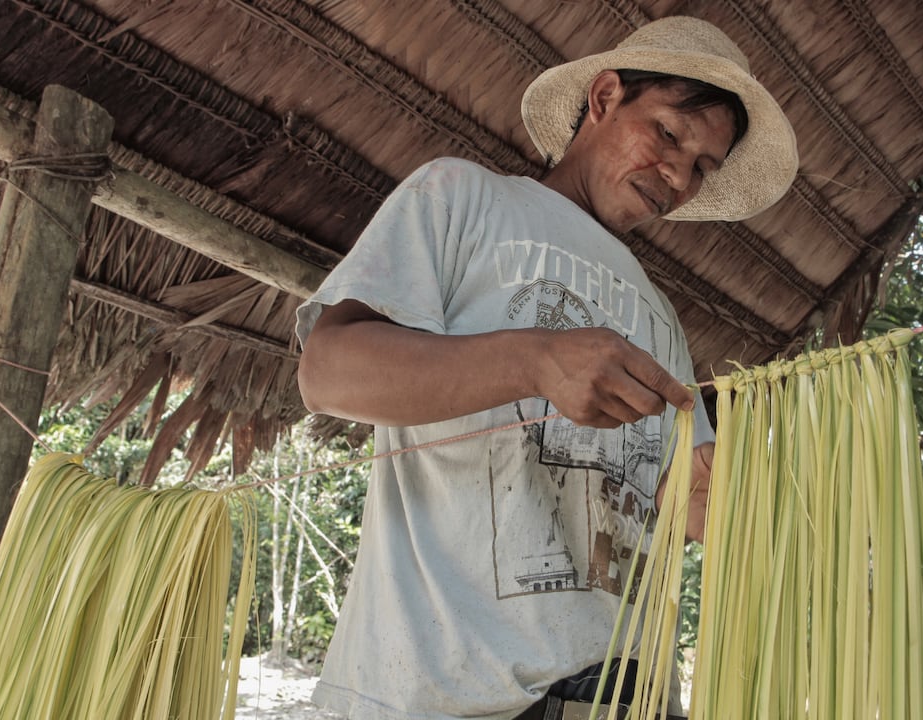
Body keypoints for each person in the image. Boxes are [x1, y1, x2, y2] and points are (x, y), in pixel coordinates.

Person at [295, 15, 797, 720]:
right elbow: (327, 371)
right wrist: (534, 360)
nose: (679, 176)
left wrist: (722, 504)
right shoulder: (462, 199)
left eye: (703, 167)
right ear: (603, 98)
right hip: (443, 696)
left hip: (630, 698)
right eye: (669, 134)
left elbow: (679, 503)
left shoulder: (662, 320)